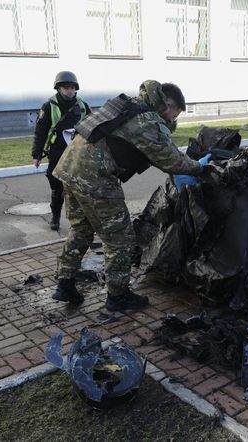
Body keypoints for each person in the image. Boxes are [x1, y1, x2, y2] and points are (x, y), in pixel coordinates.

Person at [51, 80, 219, 311]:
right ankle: (118, 296)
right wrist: (201, 168)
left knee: (81, 229)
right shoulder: (148, 120)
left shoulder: (129, 104)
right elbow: (170, 159)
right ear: (167, 104)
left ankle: (65, 283)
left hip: (70, 169)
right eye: (175, 113)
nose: (173, 120)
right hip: (95, 178)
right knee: (121, 240)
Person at [32, 71, 91, 231]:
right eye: (66, 88)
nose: (70, 91)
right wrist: (36, 155)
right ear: (58, 88)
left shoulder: (82, 105)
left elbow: (93, 128)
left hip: (78, 153)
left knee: (79, 188)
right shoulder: (49, 106)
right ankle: (55, 217)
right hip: (57, 152)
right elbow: (41, 132)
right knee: (57, 189)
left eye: (72, 87)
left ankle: (80, 222)